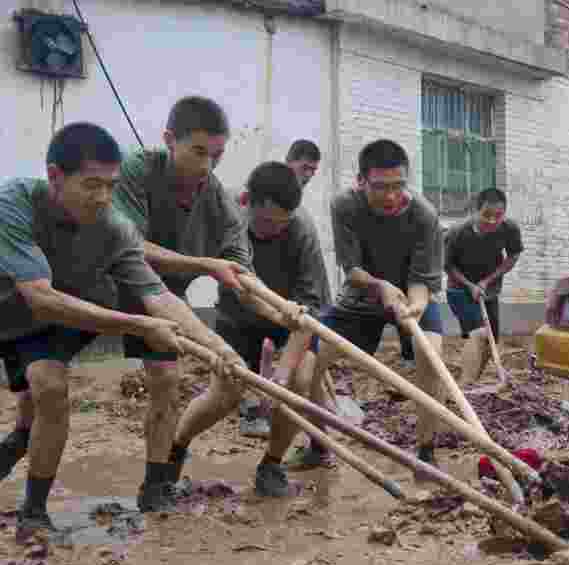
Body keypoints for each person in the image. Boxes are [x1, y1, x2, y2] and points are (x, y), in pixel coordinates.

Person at [0, 122, 229, 539]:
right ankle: (20, 437)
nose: (103, 198)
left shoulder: (114, 226)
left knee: (49, 387)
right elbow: (38, 296)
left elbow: (159, 296)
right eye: (91, 185)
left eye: (110, 185)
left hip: (67, 314)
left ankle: (32, 513)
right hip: (17, 308)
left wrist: (217, 347)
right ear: (54, 176)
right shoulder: (13, 203)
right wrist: (140, 324)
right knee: (31, 403)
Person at [111, 96, 267, 510]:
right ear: (169, 140)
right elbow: (129, 248)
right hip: (105, 281)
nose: (207, 166)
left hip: (164, 296)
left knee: (166, 379)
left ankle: (155, 485)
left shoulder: (218, 199)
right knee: (45, 382)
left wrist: (283, 310)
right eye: (198, 152)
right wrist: (206, 264)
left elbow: (239, 270)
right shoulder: (135, 170)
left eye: (216, 155)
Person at [280, 139, 445, 472]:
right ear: (360, 181)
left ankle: (426, 453)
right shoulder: (345, 205)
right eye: (380, 187)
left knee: (432, 356)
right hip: (360, 296)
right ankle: (318, 446)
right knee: (309, 359)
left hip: (412, 297)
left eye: (398, 186)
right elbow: (351, 269)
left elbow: (421, 281)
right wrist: (380, 286)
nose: (390, 196)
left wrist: (412, 308)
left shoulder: (424, 215)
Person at [177, 162, 329, 456]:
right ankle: (175, 449)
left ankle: (272, 465)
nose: (275, 231)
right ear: (247, 202)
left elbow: (306, 314)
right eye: (268, 222)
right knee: (224, 394)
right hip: (237, 317)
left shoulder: (302, 230)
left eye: (283, 223)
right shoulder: (225, 214)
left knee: (297, 384)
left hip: (290, 321)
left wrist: (281, 376)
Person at [445, 188, 523, 386]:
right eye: (486, 215)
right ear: (476, 210)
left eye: (498, 216)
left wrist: (488, 281)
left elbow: (513, 255)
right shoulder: (457, 232)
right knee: (479, 334)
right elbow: (447, 266)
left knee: (491, 342)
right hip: (459, 290)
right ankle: (464, 387)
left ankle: (471, 379)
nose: (492, 221)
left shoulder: (509, 228)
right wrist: (470, 285)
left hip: (489, 291)